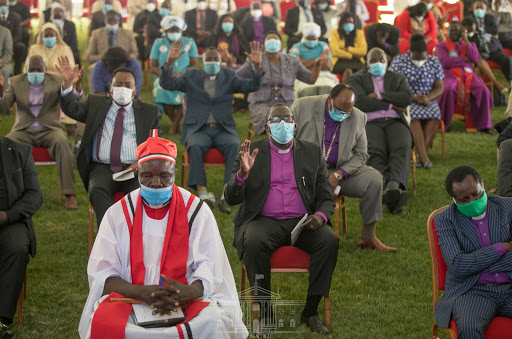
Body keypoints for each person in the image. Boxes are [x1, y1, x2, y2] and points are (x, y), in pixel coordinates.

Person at [78, 134, 248, 339]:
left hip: (185, 299)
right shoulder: (118, 214)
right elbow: (102, 273)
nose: (156, 182)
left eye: (164, 176)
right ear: (137, 172)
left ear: (175, 172)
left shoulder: (195, 211)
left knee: (213, 322)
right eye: (147, 176)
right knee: (103, 322)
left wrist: (188, 292)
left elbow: (211, 265)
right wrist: (141, 293)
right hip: (132, 298)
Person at [224, 104, 339, 335]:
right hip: (264, 221)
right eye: (276, 120)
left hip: (303, 221)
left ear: (295, 125)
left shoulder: (311, 152)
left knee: (329, 241)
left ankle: (310, 312)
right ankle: (265, 314)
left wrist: (320, 216)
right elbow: (231, 198)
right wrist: (242, 175)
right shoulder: (251, 151)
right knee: (254, 242)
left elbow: (326, 196)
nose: (282, 124)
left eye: (287, 119)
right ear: (267, 127)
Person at [56, 56, 161, 225]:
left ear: (135, 91)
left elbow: (157, 144)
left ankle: (131, 234)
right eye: (118, 84)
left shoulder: (150, 112)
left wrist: (143, 163)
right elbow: (72, 109)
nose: (123, 88)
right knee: (97, 191)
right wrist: (68, 84)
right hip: (102, 168)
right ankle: (111, 233)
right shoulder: (96, 104)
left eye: (128, 85)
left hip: (134, 169)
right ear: (110, 88)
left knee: (139, 195)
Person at [292, 84, 397, 252]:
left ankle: (368, 237)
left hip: (338, 170)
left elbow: (361, 154)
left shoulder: (358, 117)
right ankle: (301, 235)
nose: (343, 115)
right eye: (340, 109)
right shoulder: (302, 107)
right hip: (305, 170)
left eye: (348, 111)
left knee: (374, 179)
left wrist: (339, 175)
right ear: (329, 100)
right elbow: (286, 142)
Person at [159, 43, 262, 212]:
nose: (212, 61)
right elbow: (167, 83)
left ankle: (226, 194)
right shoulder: (190, 75)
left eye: (216, 59)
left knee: (235, 147)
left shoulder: (229, 75)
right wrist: (169, 62)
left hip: (223, 128)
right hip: (198, 128)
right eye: (209, 59)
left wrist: (257, 67)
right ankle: (203, 194)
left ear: (221, 61)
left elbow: (252, 86)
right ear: (203, 61)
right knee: (196, 146)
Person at [434, 165, 512, 339]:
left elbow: (465, 263)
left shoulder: (508, 207)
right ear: (454, 199)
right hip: (472, 291)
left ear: (482, 185)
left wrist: (480, 265)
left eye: (475, 194)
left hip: (509, 286)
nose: (472, 201)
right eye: (464, 199)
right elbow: (458, 266)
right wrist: (502, 247)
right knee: (469, 329)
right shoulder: (445, 219)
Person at [0, 55, 80, 209]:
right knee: (6, 145)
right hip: (24, 130)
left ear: (45, 70)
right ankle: (9, 194)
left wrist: (73, 85)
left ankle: (70, 195)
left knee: (63, 143)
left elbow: (73, 101)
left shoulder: (56, 80)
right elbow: (3, 109)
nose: (35, 73)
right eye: (32, 70)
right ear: (26, 69)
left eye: (39, 70)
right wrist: (1, 91)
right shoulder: (16, 82)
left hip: (49, 129)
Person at [348, 47, 413, 215]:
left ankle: (392, 186)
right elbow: (360, 102)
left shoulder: (397, 78)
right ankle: (391, 189)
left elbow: (406, 98)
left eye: (381, 60)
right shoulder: (357, 78)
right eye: (373, 60)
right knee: (375, 149)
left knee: (402, 146)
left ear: (387, 62)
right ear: (367, 63)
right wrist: (392, 103)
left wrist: (379, 96)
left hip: (395, 120)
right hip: (370, 122)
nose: (378, 63)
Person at [237, 31, 327, 136]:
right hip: (261, 103)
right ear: (264, 45)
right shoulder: (255, 59)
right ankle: (274, 151)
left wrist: (317, 65)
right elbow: (236, 78)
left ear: (281, 44)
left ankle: (296, 150)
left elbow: (310, 80)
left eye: (275, 39)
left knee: (300, 120)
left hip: (288, 102)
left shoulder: (292, 60)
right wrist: (233, 63)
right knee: (273, 122)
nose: (272, 42)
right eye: (269, 40)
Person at [0, 119, 42, 339]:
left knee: (17, 249)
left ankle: (2, 320)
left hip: (10, 220)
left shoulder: (19, 151)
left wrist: (7, 216)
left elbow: (34, 195)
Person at [389, 35, 444, 169]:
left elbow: (440, 87)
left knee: (435, 115)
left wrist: (428, 98)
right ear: (411, 53)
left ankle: (420, 155)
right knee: (412, 116)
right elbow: (392, 86)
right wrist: (413, 98)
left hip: (427, 100)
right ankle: (424, 157)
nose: (420, 61)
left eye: (422, 58)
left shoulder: (433, 61)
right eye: (416, 58)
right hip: (406, 100)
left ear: (427, 54)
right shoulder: (399, 61)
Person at [436, 21, 494, 133]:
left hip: (468, 74)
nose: (453, 33)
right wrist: (464, 60)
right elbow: (445, 62)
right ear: (447, 32)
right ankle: (443, 123)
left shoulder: (468, 45)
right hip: (449, 74)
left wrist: (466, 39)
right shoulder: (441, 46)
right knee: (449, 89)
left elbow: (475, 58)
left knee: (482, 89)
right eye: (451, 30)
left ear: (461, 32)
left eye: (456, 30)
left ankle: (484, 125)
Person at [150, 16, 198, 135]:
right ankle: (175, 123)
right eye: (171, 30)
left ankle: (174, 125)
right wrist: (167, 74)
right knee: (162, 89)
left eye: (177, 30)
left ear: (182, 31)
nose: (174, 33)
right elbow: (153, 67)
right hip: (163, 76)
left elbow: (194, 64)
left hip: (184, 76)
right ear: (165, 31)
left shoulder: (189, 42)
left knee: (186, 90)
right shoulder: (158, 43)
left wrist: (182, 73)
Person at [289, 22, 338, 98]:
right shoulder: (296, 47)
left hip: (324, 76)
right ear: (304, 36)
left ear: (318, 38)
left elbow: (327, 65)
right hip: (304, 76)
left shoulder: (323, 46)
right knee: (306, 91)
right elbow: (296, 66)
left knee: (328, 90)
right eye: (309, 39)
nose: (311, 41)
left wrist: (305, 63)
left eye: (314, 39)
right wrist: (318, 61)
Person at [471, 1, 512, 88]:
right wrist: (487, 35)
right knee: (477, 66)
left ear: (486, 10)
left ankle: (510, 82)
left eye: (481, 8)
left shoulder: (491, 18)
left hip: (492, 48)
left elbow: (495, 33)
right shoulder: (469, 20)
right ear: (473, 9)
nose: (479, 10)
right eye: (477, 8)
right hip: (477, 50)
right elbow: (471, 36)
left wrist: (479, 33)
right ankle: (483, 87)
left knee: (506, 60)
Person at [461, 17, 508, 94]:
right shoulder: (460, 37)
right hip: (466, 62)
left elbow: (485, 51)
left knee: (479, 67)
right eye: (473, 25)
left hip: (478, 61)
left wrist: (477, 57)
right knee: (479, 64)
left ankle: (481, 95)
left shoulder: (478, 35)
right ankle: (496, 84)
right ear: (467, 27)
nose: (475, 27)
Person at [329, 12, 367, 81]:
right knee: (348, 71)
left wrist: (347, 49)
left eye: (351, 22)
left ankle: (357, 89)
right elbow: (335, 51)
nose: (348, 24)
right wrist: (352, 55)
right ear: (341, 23)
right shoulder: (334, 33)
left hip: (357, 61)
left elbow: (363, 51)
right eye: (346, 22)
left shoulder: (359, 33)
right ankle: (345, 90)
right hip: (340, 61)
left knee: (362, 72)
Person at [0, 0, 25, 75]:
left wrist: (9, 44)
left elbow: (18, 34)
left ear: (8, 6)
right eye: (1, 5)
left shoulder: (16, 17)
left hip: (12, 42)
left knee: (21, 47)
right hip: (1, 41)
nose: (3, 7)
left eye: (5, 5)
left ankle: (17, 72)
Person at [133, 0, 156, 64]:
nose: (151, 4)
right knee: (138, 40)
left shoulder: (158, 15)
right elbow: (135, 28)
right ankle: (142, 60)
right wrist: (142, 30)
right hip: (143, 36)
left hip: (154, 36)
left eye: (152, 3)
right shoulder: (140, 15)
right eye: (149, 2)